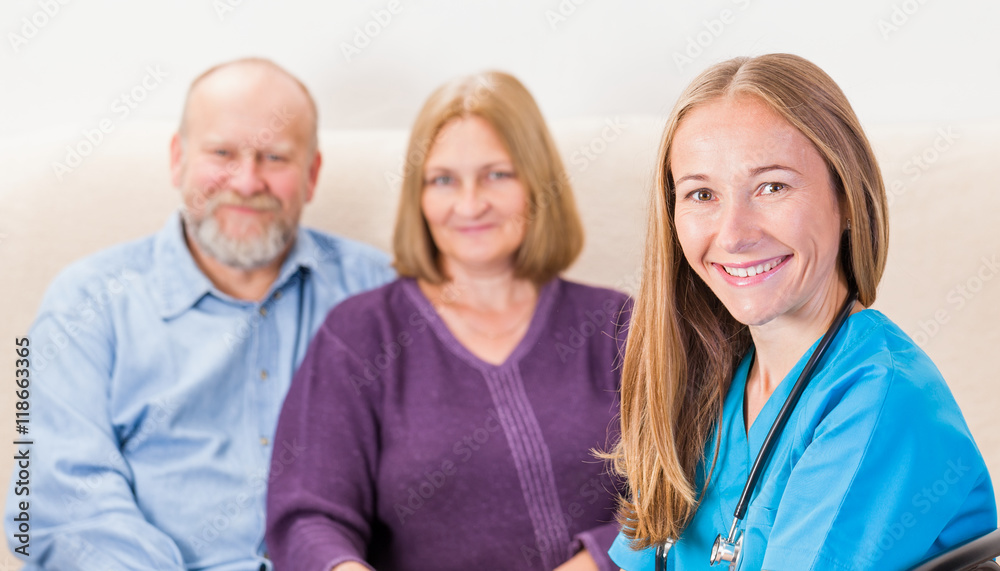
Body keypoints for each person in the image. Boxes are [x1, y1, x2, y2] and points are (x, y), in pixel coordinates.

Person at [606, 53, 996, 570]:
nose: (734, 234)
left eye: (773, 187)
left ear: (848, 197)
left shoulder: (881, 398)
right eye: (702, 194)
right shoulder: (706, 380)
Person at [4, 58, 395, 570]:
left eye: (275, 157)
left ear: (312, 175)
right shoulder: (85, 302)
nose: (247, 181)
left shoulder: (379, 292)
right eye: (222, 153)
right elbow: (56, 505)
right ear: (178, 159)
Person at [265, 71, 630, 571]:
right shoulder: (359, 335)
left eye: (497, 175)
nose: (470, 204)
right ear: (418, 196)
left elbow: (682, 488)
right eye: (442, 180)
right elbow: (308, 516)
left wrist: (597, 561)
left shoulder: (617, 326)